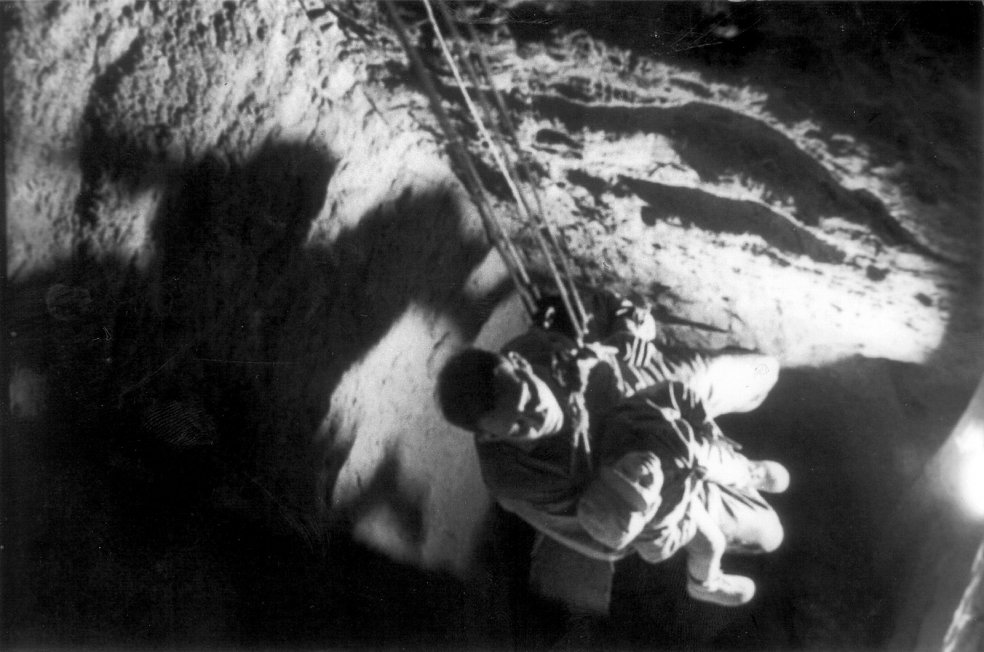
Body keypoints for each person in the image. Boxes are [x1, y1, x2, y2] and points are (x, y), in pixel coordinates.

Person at [436, 309, 785, 612]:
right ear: (490, 436)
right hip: (650, 483)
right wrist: (671, 489)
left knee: (764, 371)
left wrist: (624, 341)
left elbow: (599, 356)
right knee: (769, 534)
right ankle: (705, 580)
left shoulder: (530, 347)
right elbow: (611, 539)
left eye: (530, 398)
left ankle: (734, 454)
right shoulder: (519, 481)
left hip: (647, 397)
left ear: (520, 365)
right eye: (519, 425)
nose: (537, 417)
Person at [577, 381, 788, 606]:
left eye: (625, 471)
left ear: (609, 467)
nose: (642, 469)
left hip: (691, 460)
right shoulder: (657, 527)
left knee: (771, 477)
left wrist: (704, 424)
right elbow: (663, 547)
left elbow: (673, 392)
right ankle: (705, 585)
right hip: (684, 503)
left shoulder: (629, 427)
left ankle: (751, 473)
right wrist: (684, 510)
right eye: (643, 483)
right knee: (735, 541)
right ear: (649, 509)